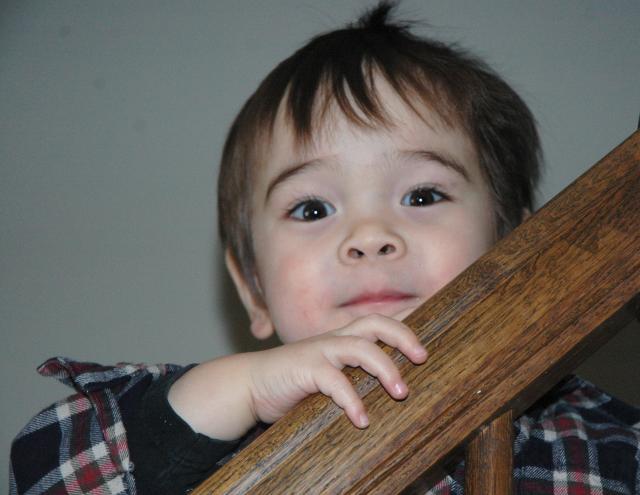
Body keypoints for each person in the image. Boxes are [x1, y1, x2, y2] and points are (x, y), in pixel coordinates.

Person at [10, 3, 640, 494]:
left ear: (517, 248)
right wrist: (236, 391)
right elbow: (47, 467)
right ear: (253, 289)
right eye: (312, 209)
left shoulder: (602, 443)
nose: (369, 237)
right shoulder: (224, 438)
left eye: (422, 195)